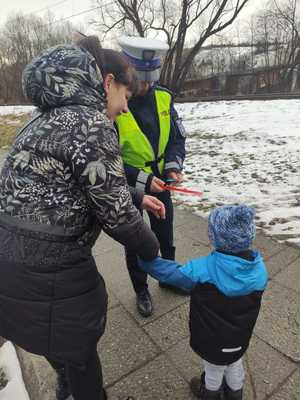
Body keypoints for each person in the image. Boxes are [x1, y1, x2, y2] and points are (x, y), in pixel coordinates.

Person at [0, 35, 164, 400]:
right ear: (108, 83)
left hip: (9, 270)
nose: (124, 108)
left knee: (56, 348)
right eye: (125, 95)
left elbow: (70, 186)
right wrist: (154, 254)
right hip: (54, 276)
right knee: (82, 359)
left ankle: (65, 387)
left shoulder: (39, 119)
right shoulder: (91, 123)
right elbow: (118, 218)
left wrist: (137, 195)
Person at [139, 205, 268, 400]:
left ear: (215, 237)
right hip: (240, 338)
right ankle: (235, 395)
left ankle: (210, 393)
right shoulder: (260, 270)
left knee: (214, 369)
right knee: (234, 364)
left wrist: (145, 261)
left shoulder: (203, 270)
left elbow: (169, 273)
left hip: (211, 340)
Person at [115, 36, 187, 318]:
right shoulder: (115, 102)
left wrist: (172, 165)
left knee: (164, 233)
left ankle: (168, 277)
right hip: (128, 184)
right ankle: (141, 289)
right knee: (135, 240)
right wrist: (140, 179)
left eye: (149, 79)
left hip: (161, 181)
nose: (144, 87)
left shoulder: (164, 97)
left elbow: (177, 137)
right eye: (139, 80)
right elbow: (105, 159)